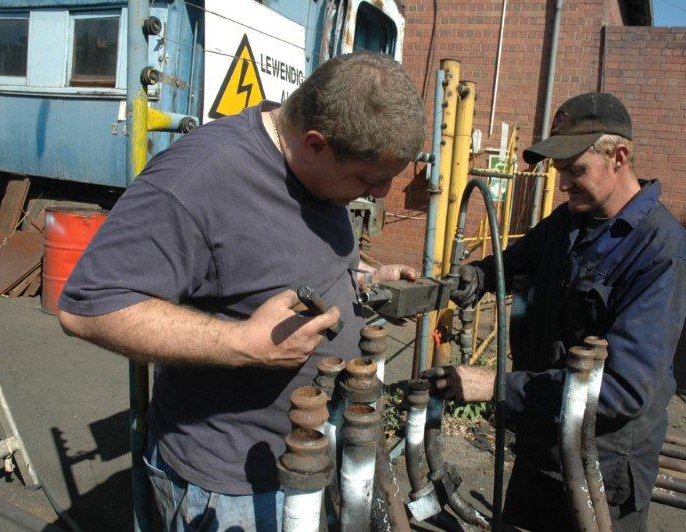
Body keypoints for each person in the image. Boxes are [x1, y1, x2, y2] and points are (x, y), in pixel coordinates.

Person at [58, 52, 425, 530]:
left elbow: (289, 265)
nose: (379, 194)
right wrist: (242, 345)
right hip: (230, 488)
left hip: (319, 454)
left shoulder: (319, 170)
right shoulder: (195, 182)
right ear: (315, 144)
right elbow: (89, 306)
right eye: (369, 180)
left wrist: (365, 281)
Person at [424, 92, 686, 531]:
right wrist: (468, 280)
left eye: (575, 169)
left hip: (600, 469)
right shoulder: (571, 220)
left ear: (619, 156)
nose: (563, 183)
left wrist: (496, 386)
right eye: (558, 170)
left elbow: (623, 390)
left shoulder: (660, 254)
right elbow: (515, 262)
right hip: (540, 444)